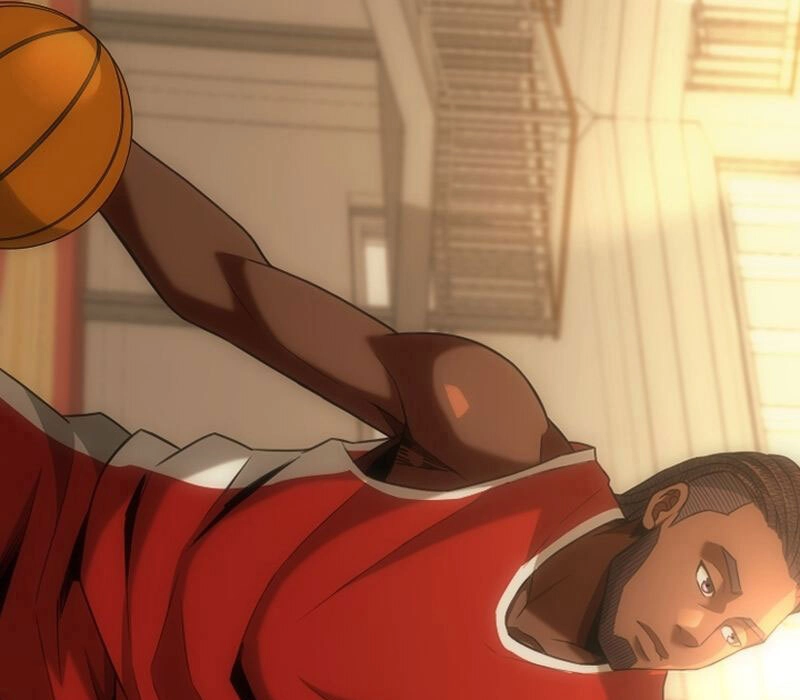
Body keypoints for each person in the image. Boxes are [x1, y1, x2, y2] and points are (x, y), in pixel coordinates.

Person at [1, 142, 798, 700]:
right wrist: (94, 143)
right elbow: (228, 288)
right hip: (61, 528)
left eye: (735, 637)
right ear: (667, 507)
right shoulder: (495, 441)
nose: (698, 635)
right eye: (709, 581)